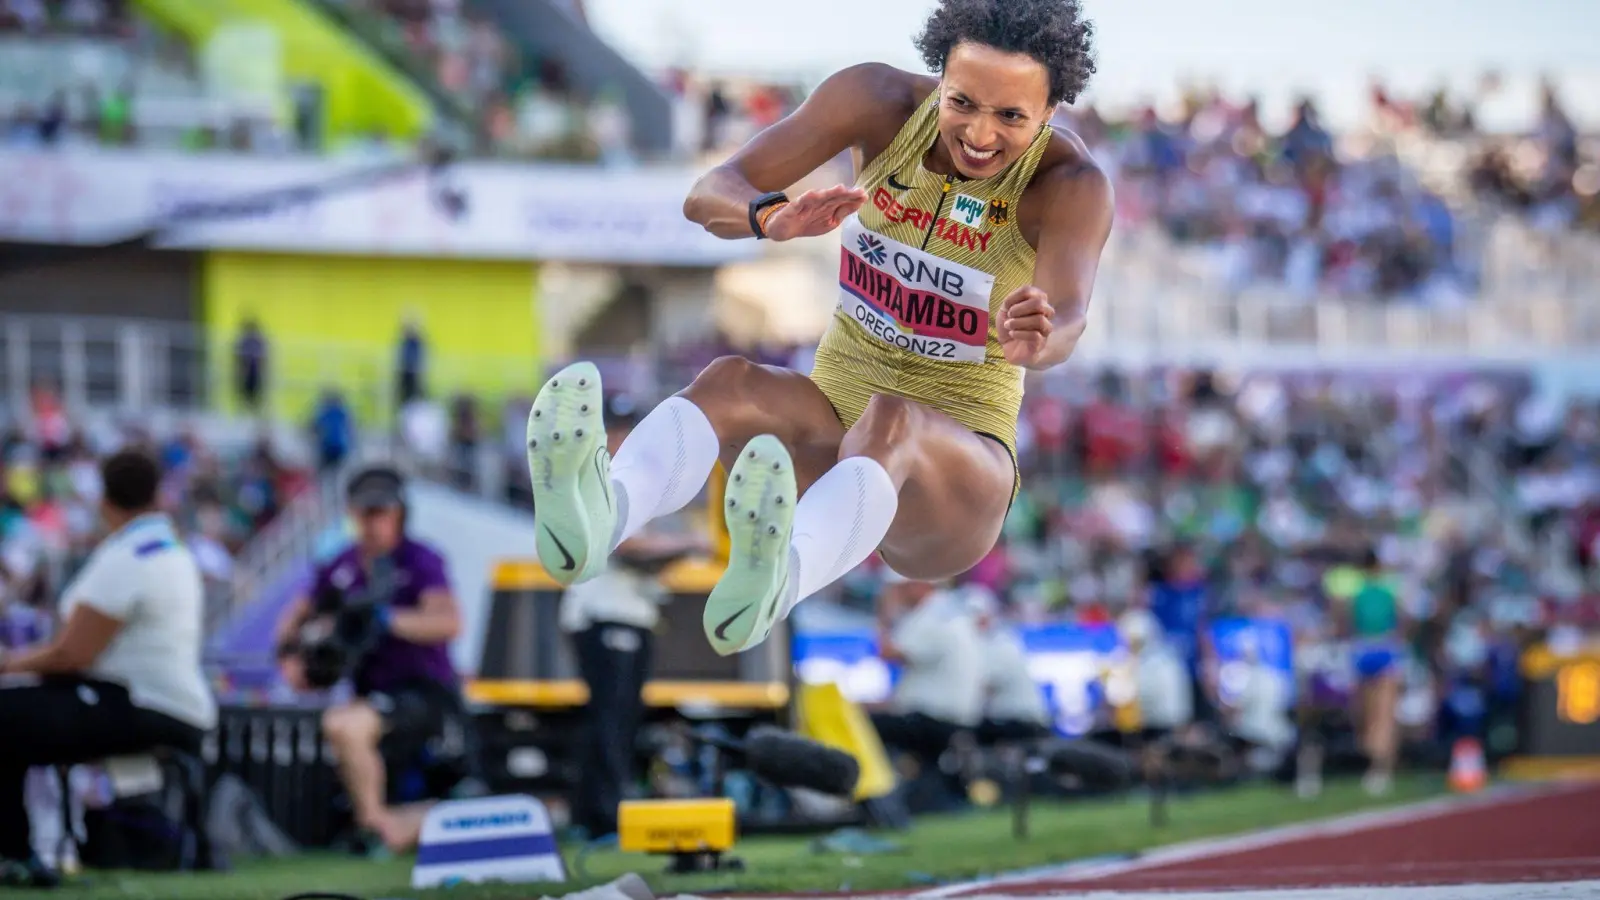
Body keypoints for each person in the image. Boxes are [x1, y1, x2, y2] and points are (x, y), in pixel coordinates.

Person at [523, 0, 1111, 655]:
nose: (978, 134)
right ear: (937, 77)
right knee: (729, 381)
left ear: (1050, 113)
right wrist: (765, 216)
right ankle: (604, 514)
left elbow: (1070, 313)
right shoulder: (875, 101)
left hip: (953, 489)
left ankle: (779, 578)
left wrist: (1042, 336)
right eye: (962, 103)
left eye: (1011, 116)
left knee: (894, 419)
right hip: (835, 433)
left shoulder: (1068, 182)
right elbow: (710, 191)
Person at [0, 449, 216, 888]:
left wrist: (8, 664)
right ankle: (21, 850)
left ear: (104, 499)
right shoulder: (171, 546)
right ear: (156, 494)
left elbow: (71, 656)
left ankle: (16, 854)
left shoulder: (128, 555)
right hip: (173, 704)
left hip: (141, 703)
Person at [273, 464, 467, 853]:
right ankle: (385, 824)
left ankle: (377, 826)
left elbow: (448, 621)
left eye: (381, 513)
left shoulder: (418, 560)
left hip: (424, 694)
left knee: (346, 726)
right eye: (365, 513)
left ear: (398, 513)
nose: (373, 523)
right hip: (371, 692)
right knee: (343, 722)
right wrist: (293, 658)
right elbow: (292, 621)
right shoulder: (341, 565)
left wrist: (387, 619)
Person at [558, 396, 700, 838]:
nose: (626, 438)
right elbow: (628, 547)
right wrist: (690, 545)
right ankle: (602, 817)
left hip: (629, 616)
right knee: (609, 720)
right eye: (619, 429)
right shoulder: (596, 481)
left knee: (618, 719)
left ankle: (594, 814)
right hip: (605, 615)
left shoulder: (634, 485)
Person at [1345, 547, 1405, 795]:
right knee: (1372, 714)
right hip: (1372, 650)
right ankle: (1377, 765)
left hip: (1376, 650)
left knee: (1381, 713)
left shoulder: (1383, 591)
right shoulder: (1363, 594)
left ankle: (1382, 768)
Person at [966, 587, 1050, 742]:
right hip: (1008, 720)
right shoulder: (992, 641)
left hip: (1019, 722)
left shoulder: (998, 644)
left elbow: (981, 687)